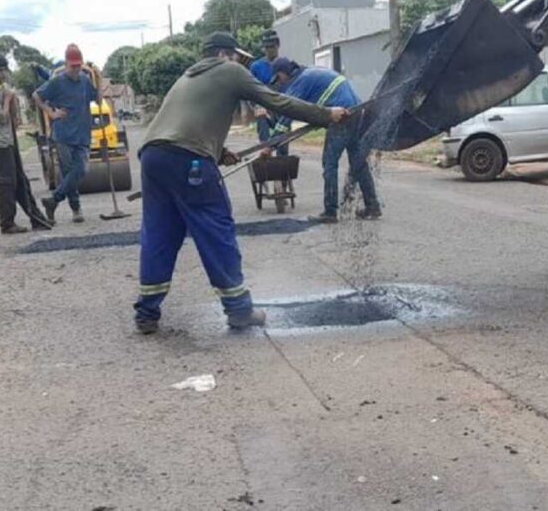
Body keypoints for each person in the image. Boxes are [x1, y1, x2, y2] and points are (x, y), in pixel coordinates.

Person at [133, 31, 349, 335]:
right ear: (224, 54)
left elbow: (184, 124)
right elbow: (277, 101)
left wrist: (219, 153)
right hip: (189, 161)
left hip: (153, 158)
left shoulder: (186, 77)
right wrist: (327, 114)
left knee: (160, 232)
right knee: (215, 227)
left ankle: (147, 312)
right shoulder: (230, 71)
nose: (240, 62)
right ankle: (239, 310)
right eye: (237, 56)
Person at [272, 57, 381, 223]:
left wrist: (272, 142)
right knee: (358, 162)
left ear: (282, 74)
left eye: (279, 78)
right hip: (356, 111)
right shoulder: (311, 72)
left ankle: (330, 212)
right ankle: (373, 207)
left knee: (329, 164)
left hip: (341, 117)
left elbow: (288, 112)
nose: (280, 83)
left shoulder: (299, 82)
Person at [0, 53, 52, 234]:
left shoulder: (2, 88)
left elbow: (13, 119)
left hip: (10, 140)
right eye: (0, 70)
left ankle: (37, 218)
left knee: (20, 181)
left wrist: (13, 105)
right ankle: (7, 223)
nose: (3, 74)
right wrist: (8, 100)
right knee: (6, 183)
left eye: (4, 70)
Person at [34, 44, 98, 225]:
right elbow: (36, 96)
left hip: (83, 134)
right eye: (73, 66)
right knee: (69, 172)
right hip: (63, 135)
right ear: (67, 64)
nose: (76, 70)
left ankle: (53, 200)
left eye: (79, 66)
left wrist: (98, 81)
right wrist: (50, 113)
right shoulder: (56, 81)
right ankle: (76, 208)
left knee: (81, 170)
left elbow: (95, 98)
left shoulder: (85, 79)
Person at [250, 30, 284, 151]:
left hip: (282, 107)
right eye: (267, 47)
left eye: (272, 47)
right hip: (264, 107)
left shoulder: (285, 65)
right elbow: (250, 90)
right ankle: (265, 149)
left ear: (278, 45)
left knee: (282, 141)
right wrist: (256, 106)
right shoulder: (256, 67)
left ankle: (282, 160)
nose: (270, 50)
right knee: (261, 117)